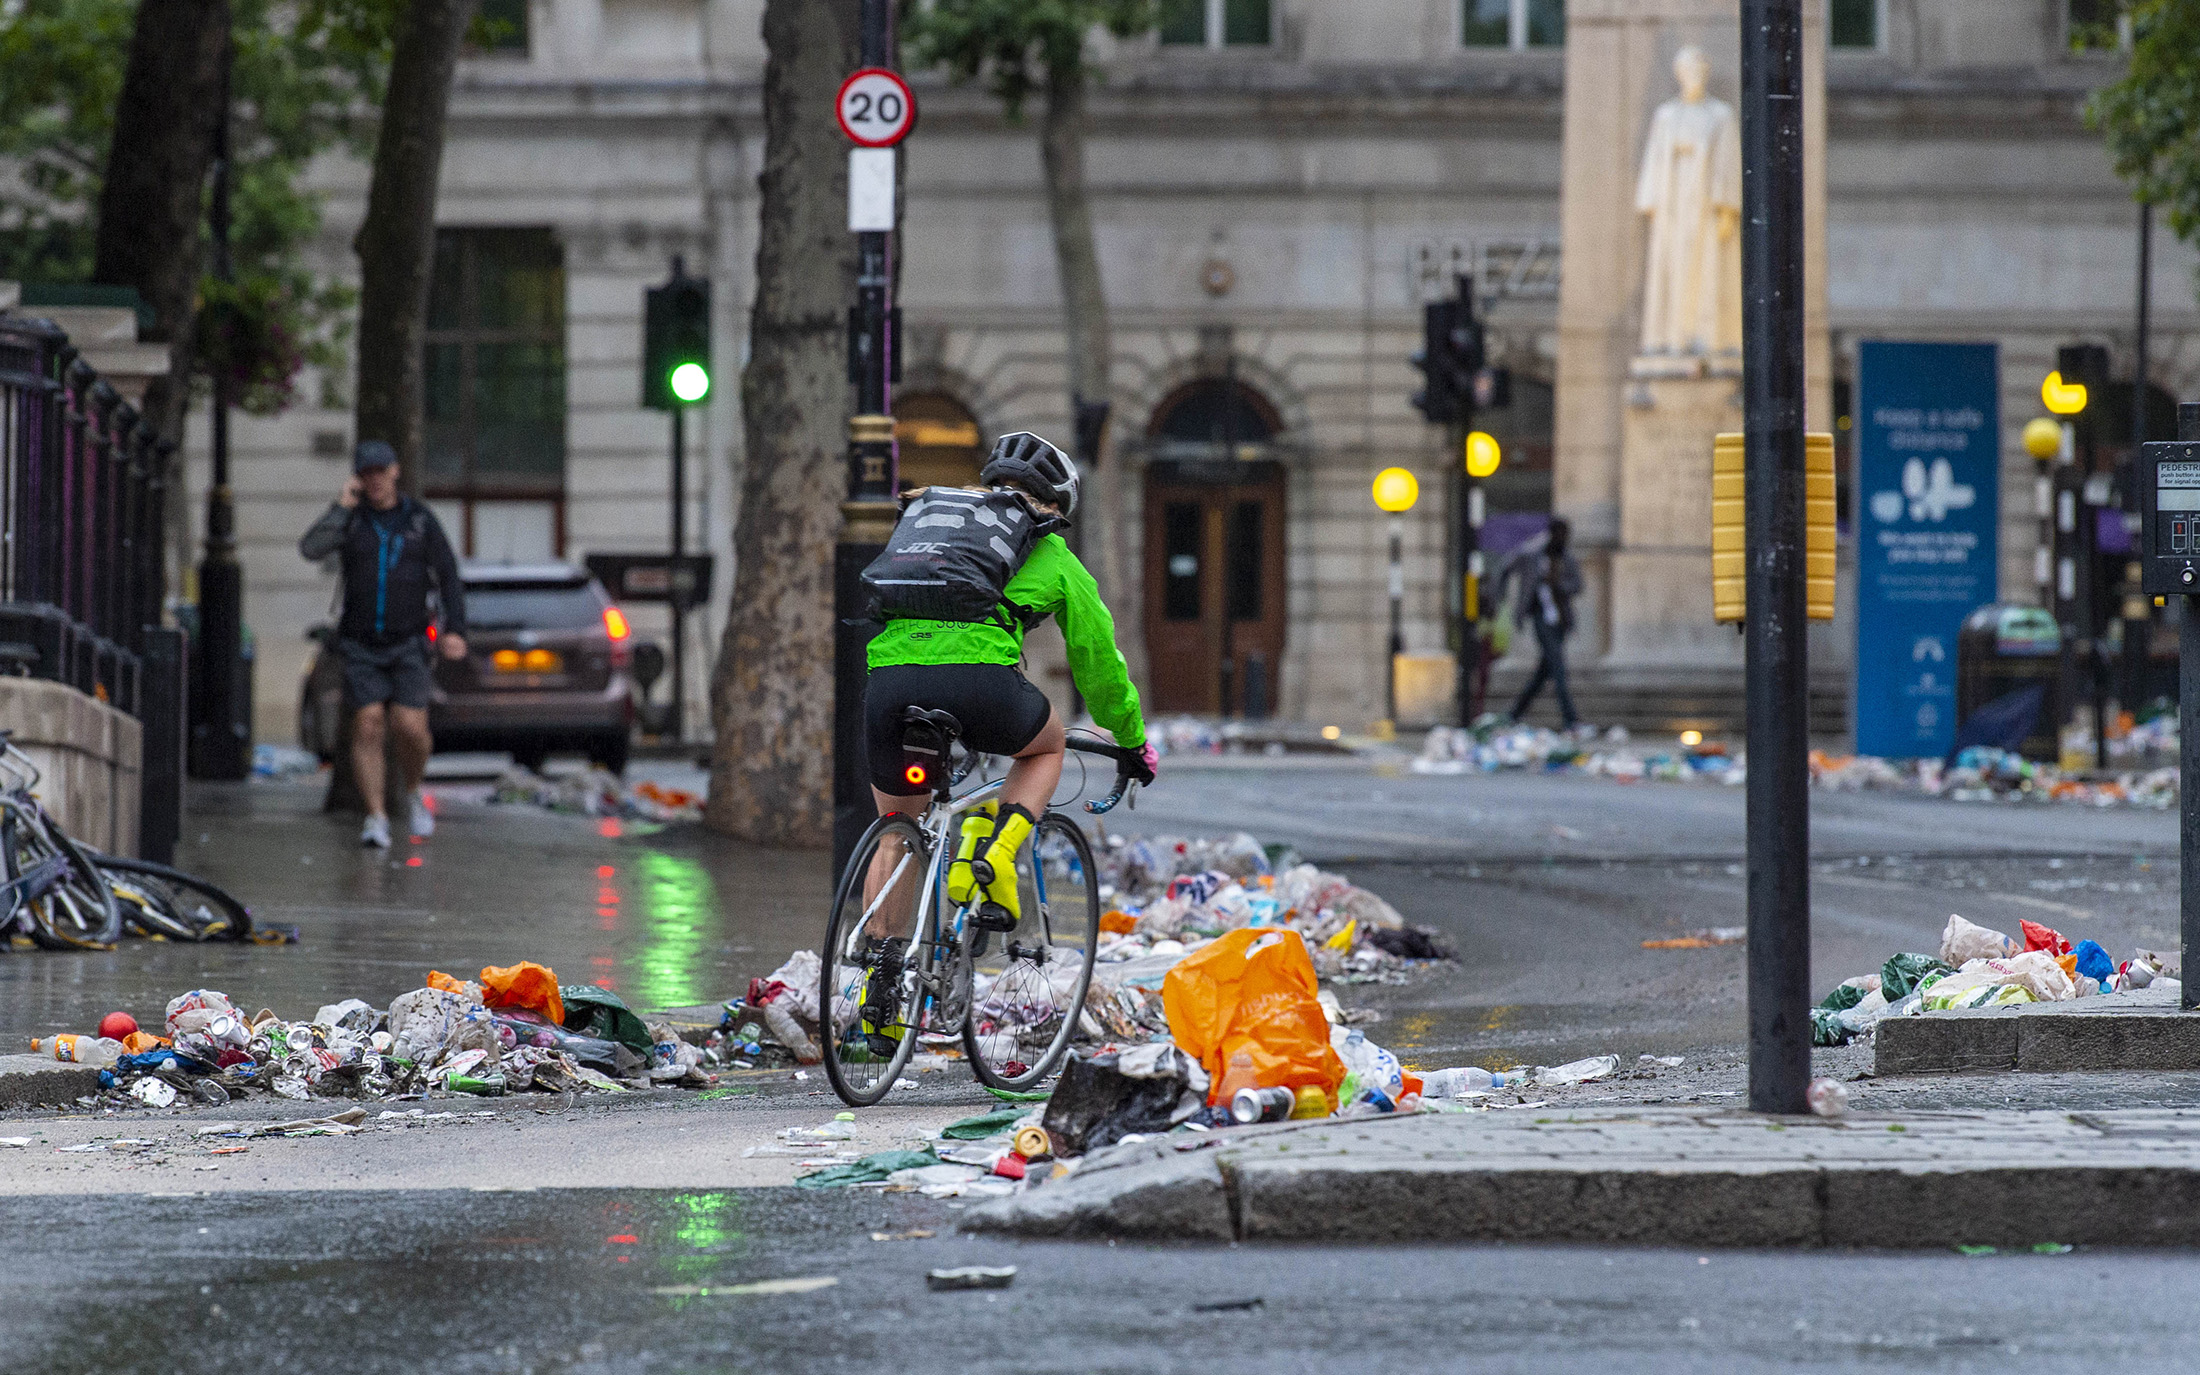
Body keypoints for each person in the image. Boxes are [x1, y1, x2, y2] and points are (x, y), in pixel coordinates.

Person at [856, 431, 1157, 1053]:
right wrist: (1130, 739)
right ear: (1056, 506)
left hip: (889, 684)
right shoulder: (1051, 553)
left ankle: (878, 997)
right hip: (982, 686)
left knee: (896, 829)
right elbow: (1098, 664)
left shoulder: (931, 526)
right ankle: (1001, 849)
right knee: (1044, 747)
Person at [298, 440, 468, 849]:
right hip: (360, 643)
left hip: (408, 640)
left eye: (380, 471)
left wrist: (455, 629)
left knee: (411, 727)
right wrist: (340, 507)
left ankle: (412, 791)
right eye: (366, 472)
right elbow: (311, 548)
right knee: (368, 723)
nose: (374, 479)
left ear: (395, 471)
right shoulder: (351, 520)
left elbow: (448, 574)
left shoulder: (420, 520)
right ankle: (376, 816)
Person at [1502, 516, 1584, 733]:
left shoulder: (1566, 558)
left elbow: (1578, 585)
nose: (1564, 539)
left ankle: (1514, 714)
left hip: (1560, 621)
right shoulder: (1533, 554)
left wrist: (1559, 586)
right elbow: (1507, 566)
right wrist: (1500, 595)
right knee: (1558, 668)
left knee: (1544, 671)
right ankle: (1571, 719)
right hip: (1540, 618)